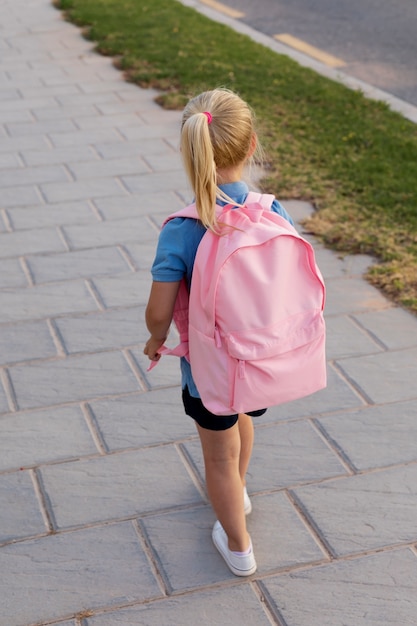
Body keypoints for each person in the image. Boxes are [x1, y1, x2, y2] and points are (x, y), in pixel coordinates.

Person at [144, 88, 294, 577]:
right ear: (251, 146)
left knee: (216, 458)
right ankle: (242, 487)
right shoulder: (273, 211)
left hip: (207, 372)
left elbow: (158, 312)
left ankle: (238, 545)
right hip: (259, 358)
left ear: (190, 151)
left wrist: (154, 338)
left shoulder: (183, 229)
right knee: (243, 416)